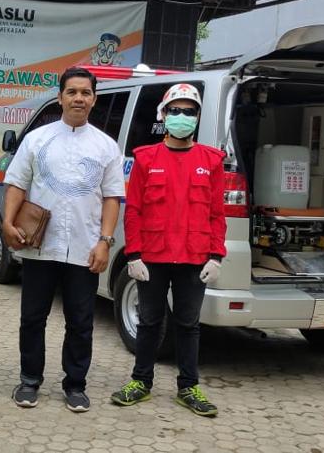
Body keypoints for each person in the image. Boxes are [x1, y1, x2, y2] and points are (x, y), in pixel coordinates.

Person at [3, 67, 124, 413]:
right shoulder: (37, 139)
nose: (78, 98)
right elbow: (17, 184)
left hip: (85, 248)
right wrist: (8, 223)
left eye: (85, 93)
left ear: (94, 99)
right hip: (40, 247)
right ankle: (29, 380)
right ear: (60, 97)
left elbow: (112, 197)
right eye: (72, 92)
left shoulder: (106, 146)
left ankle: (75, 385)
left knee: (81, 321)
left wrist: (105, 241)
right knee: (32, 318)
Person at [110, 83, 226, 418]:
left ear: (198, 117)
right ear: (163, 115)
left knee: (188, 325)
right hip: (153, 257)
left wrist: (216, 255)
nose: (182, 116)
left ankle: (188, 387)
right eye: (175, 110)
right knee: (149, 322)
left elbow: (217, 214)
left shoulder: (211, 161)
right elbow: (134, 211)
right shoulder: (146, 158)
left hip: (194, 258)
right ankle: (140, 382)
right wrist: (133, 255)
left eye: (189, 111)